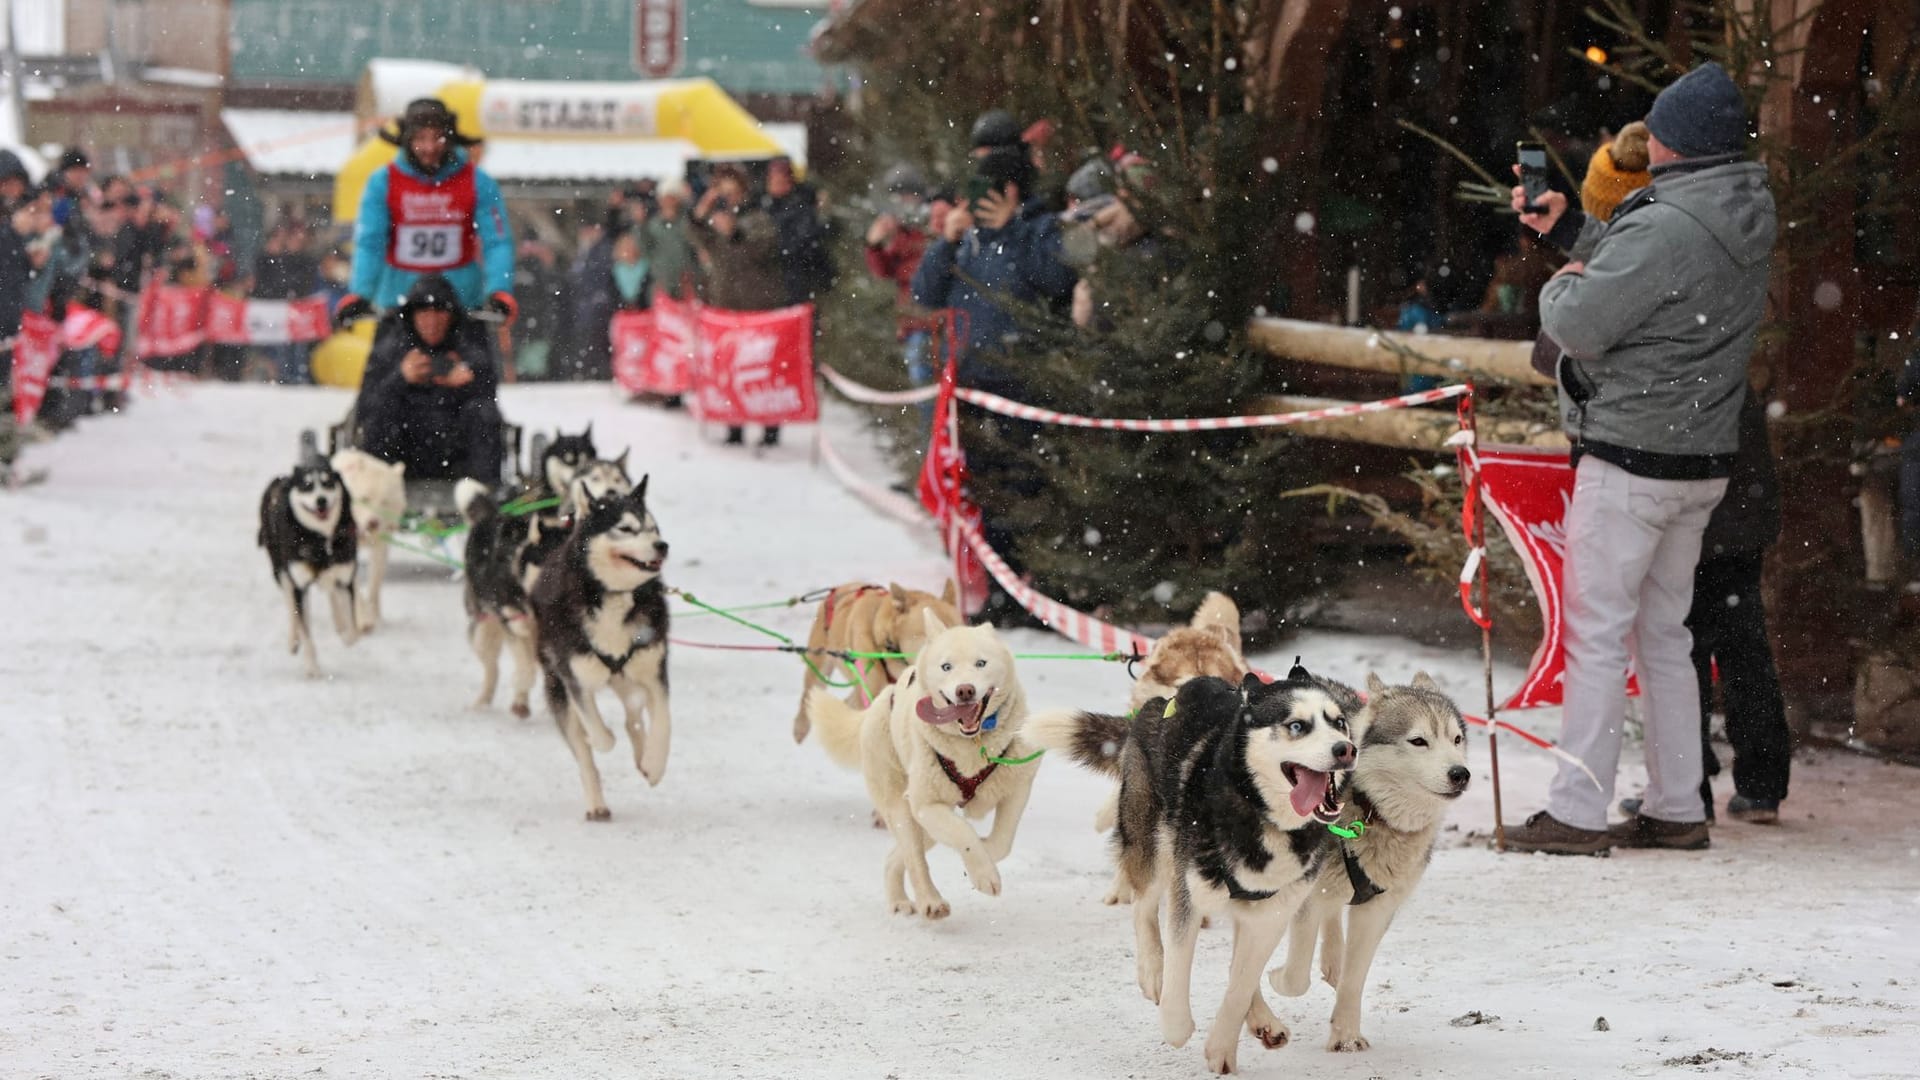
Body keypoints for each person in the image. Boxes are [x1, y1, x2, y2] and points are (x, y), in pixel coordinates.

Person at [1502, 62, 1778, 855]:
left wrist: (1563, 277)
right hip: (1698, 460)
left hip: (1631, 458)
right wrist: (1576, 234)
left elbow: (1584, 321)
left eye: (1656, 129)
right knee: (1666, 635)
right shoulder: (1739, 205)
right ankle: (1676, 804)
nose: (1646, 139)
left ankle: (1575, 813)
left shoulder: (1666, 223)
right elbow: (1665, 271)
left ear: (1677, 145)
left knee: (1596, 633)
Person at [337, 99, 514, 325]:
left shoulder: (478, 181)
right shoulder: (382, 182)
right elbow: (370, 242)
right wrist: (361, 293)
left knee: (474, 361)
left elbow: (497, 241)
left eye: (437, 138)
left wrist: (499, 290)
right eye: (421, 139)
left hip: (461, 305)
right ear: (407, 141)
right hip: (398, 305)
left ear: (449, 140)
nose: (430, 148)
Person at [353, 273, 503, 482]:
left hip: (456, 456)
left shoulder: (469, 350)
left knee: (482, 412)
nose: (432, 321)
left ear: (451, 316)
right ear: (412, 315)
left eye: (439, 312)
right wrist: (400, 377)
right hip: (402, 455)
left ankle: (483, 493)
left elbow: (490, 403)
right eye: (423, 312)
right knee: (381, 413)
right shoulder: (390, 350)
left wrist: (465, 383)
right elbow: (365, 407)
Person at [694, 164, 787, 446]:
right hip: (726, 305)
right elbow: (700, 240)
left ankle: (770, 425)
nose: (727, 191)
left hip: (757, 305)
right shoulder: (718, 217)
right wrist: (700, 212)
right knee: (730, 368)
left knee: (760, 368)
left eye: (730, 184)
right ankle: (734, 425)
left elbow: (763, 249)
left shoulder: (759, 216)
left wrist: (735, 233)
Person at [864, 164, 941, 412]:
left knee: (928, 390)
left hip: (933, 321)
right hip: (912, 321)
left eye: (906, 195)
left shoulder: (931, 223)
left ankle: (931, 444)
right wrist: (873, 245)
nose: (902, 202)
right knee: (922, 390)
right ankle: (929, 443)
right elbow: (884, 271)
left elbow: (923, 270)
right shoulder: (900, 230)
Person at [645, 179, 700, 301]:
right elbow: (646, 250)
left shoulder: (687, 221)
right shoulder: (653, 224)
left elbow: (694, 245)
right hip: (663, 283)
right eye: (665, 198)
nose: (668, 202)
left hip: (688, 283)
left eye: (671, 198)